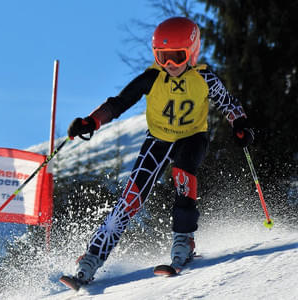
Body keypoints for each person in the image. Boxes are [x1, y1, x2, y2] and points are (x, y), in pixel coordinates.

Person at [64, 16, 254, 285]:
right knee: (131, 197)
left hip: (192, 137)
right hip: (158, 139)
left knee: (183, 176)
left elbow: (228, 103)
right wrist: (91, 121)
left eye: (177, 56)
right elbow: (119, 103)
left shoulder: (204, 77)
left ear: (192, 51)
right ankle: (92, 256)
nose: (171, 65)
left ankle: (183, 242)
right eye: (163, 57)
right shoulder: (152, 77)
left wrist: (240, 124)